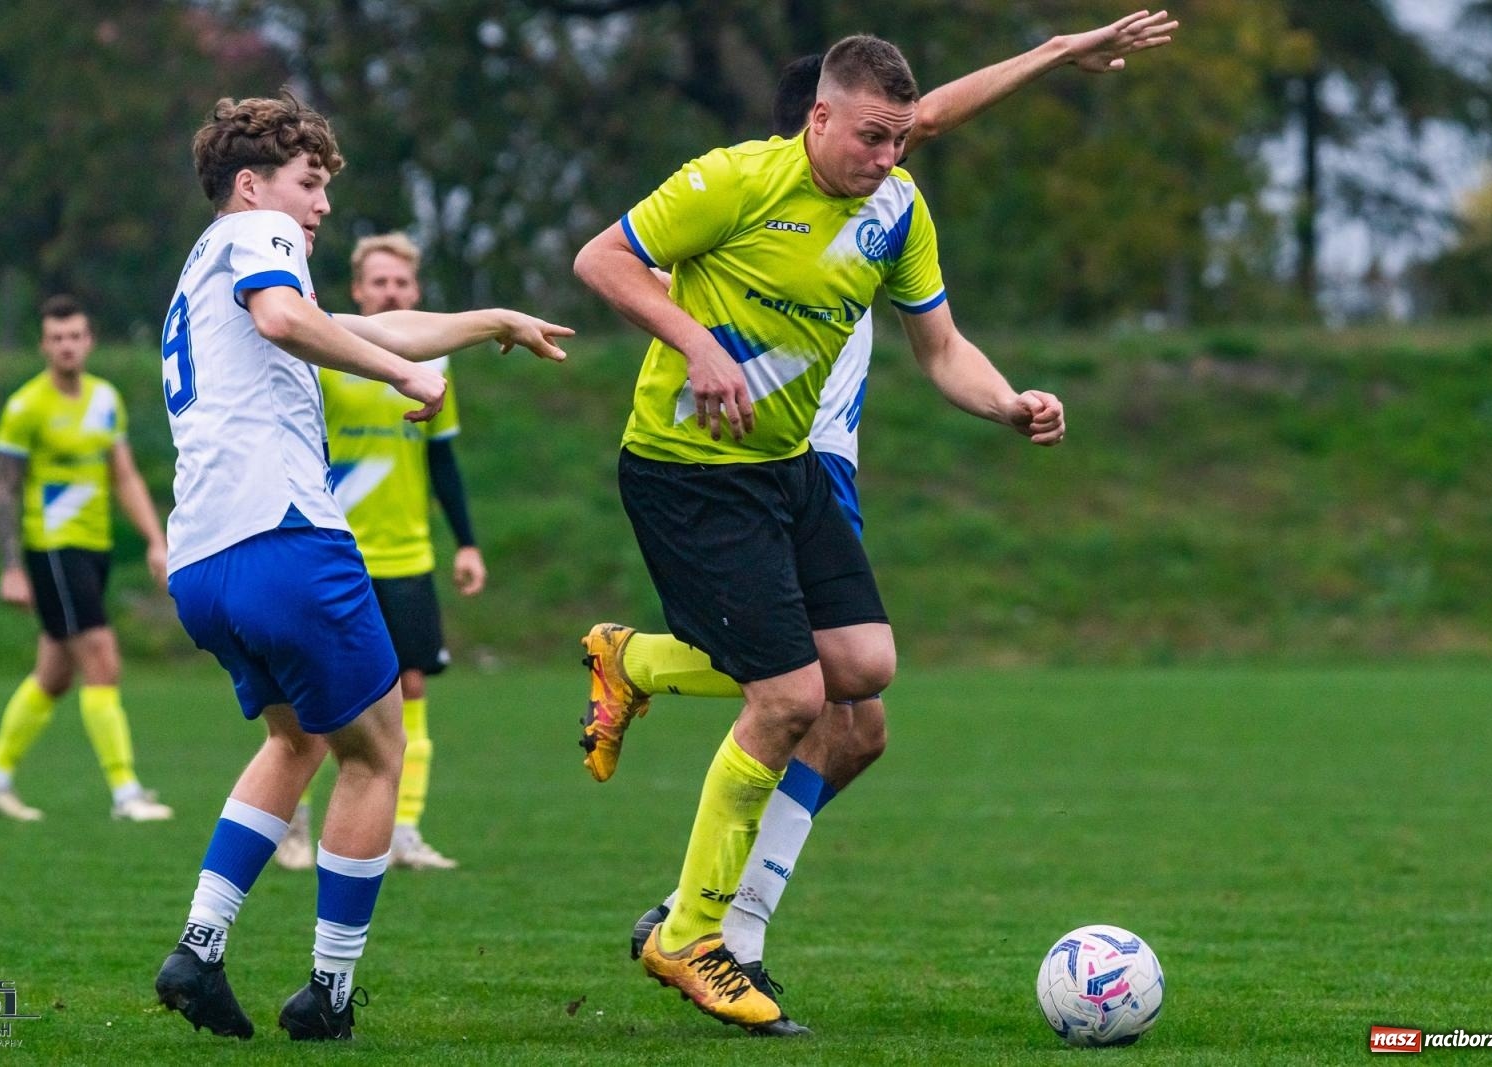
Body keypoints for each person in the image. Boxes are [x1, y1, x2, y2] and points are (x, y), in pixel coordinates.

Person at [578, 8, 1179, 1024]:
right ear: (814, 121)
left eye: (903, 138)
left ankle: (635, 663)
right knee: (791, 696)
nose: (896, 153)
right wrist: (696, 342)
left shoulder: (893, 204)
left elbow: (942, 347)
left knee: (860, 676)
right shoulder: (734, 180)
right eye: (875, 136)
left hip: (789, 468)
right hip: (693, 468)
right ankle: (695, 932)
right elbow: (601, 259)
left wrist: (1010, 401)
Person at [152, 90, 570, 1043]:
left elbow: (362, 327)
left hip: (205, 562)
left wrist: (487, 322)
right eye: (311, 183)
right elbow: (290, 324)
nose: (322, 206)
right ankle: (329, 993)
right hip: (287, 538)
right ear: (252, 184)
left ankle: (200, 947)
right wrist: (405, 379)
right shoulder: (259, 236)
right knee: (379, 752)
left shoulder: (202, 269)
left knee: (294, 742)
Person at [273, 232, 483, 872]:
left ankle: (404, 832)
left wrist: (467, 542)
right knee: (316, 694)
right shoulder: (326, 358)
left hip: (408, 558)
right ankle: (293, 821)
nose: (391, 292)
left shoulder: (434, 368)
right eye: (379, 283)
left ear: (414, 293)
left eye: (401, 284)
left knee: (411, 689)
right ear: (358, 293)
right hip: (337, 555)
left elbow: (442, 460)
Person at [0, 295, 174, 823]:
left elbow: (123, 475)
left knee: (54, 675)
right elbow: (4, 492)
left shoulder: (106, 399)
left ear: (89, 341)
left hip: (94, 548)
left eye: (75, 335)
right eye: (57, 337)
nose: (66, 345)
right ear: (44, 344)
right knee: (102, 659)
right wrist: (13, 567)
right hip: (53, 551)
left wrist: (155, 538)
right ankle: (126, 793)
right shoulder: (25, 407)